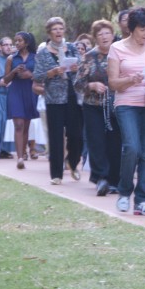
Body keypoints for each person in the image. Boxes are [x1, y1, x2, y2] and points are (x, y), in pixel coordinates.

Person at [107, 7, 145, 216]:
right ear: (131, 28)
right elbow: (112, 83)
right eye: (142, 29)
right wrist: (130, 79)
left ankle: (142, 200)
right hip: (127, 103)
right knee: (132, 148)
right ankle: (124, 191)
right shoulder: (117, 48)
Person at [75, 20, 122, 195]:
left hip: (116, 106)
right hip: (93, 106)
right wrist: (92, 85)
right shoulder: (88, 57)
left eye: (107, 33)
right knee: (96, 142)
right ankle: (101, 178)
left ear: (112, 35)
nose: (104, 37)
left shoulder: (120, 53)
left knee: (115, 142)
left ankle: (115, 180)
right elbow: (78, 84)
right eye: (100, 34)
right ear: (95, 38)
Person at [33, 19, 83, 181]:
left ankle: (73, 162)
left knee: (76, 135)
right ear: (49, 32)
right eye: (55, 29)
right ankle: (56, 174)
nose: (58, 31)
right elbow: (37, 76)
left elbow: (82, 69)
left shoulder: (73, 48)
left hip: (72, 95)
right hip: (54, 98)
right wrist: (52, 72)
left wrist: (76, 68)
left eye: (61, 28)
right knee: (55, 137)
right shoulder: (43, 53)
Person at [4, 31, 40, 171]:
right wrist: (14, 72)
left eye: (19, 41)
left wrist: (30, 74)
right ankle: (19, 158)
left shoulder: (35, 58)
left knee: (25, 124)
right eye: (16, 41)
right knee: (18, 124)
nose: (17, 43)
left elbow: (41, 75)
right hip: (16, 91)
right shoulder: (11, 59)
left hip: (30, 91)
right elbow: (5, 80)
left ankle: (24, 152)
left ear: (27, 42)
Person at [0, 37, 16, 158]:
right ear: (0, 47)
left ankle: (4, 149)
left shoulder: (14, 60)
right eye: (5, 45)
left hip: (11, 95)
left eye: (10, 45)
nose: (8, 47)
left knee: (8, 123)